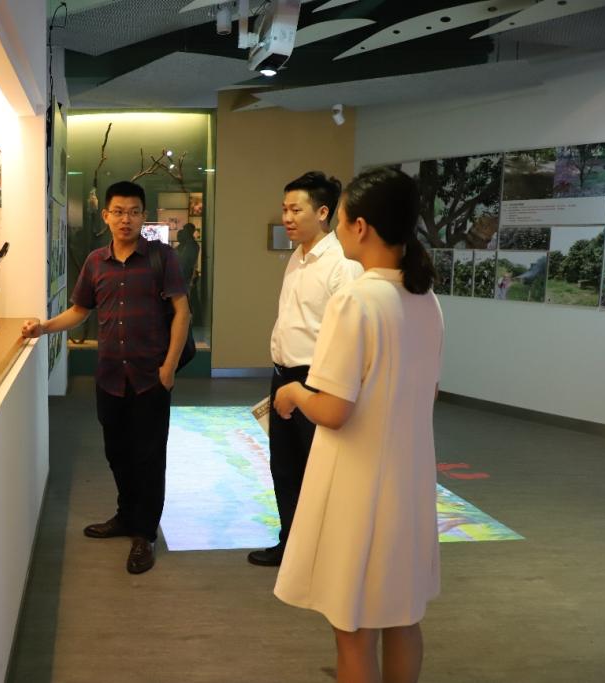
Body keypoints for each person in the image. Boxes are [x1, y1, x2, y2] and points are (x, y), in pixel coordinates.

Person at [272, 166, 444, 683]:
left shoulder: (356, 300)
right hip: (408, 484)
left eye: (342, 218)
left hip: (360, 487)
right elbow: (428, 392)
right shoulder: (426, 299)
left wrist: (293, 393)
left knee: (353, 629)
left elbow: (334, 409)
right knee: (402, 617)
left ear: (360, 227)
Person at [21, 180, 189, 574]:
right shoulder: (96, 262)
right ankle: (126, 516)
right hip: (111, 377)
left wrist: (168, 368)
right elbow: (80, 311)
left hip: (150, 378)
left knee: (149, 458)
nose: (125, 219)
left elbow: (183, 312)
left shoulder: (162, 257)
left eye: (133, 212)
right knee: (117, 453)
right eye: (118, 212)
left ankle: (144, 533)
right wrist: (43, 327)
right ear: (106, 216)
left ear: (143, 216)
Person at [248, 171, 362, 568]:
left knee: (320, 471)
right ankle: (291, 546)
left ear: (323, 212)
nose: (287, 218)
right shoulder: (297, 258)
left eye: (296, 210)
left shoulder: (341, 264)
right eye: (284, 209)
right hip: (283, 375)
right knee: (285, 467)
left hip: (317, 380)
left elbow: (348, 335)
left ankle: (325, 555)